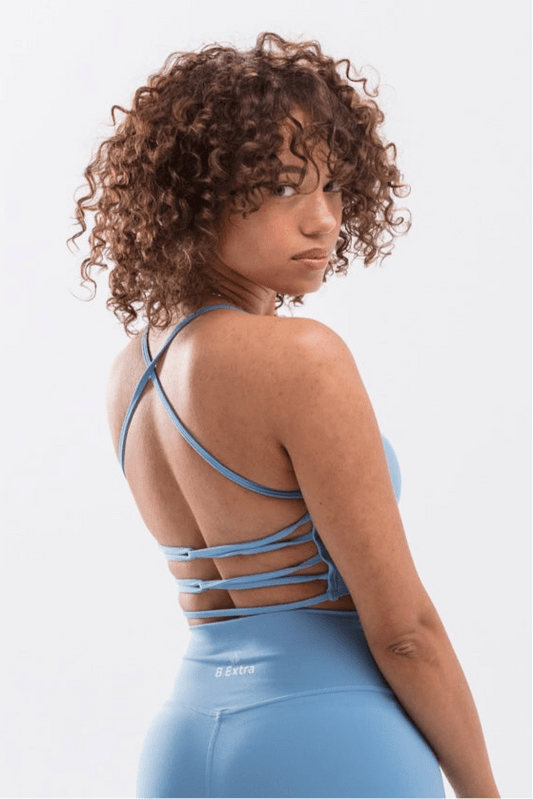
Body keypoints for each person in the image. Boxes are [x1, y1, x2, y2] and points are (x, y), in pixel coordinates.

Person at [68, 31, 500, 799]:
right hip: (332, 740)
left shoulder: (129, 375)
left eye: (333, 187)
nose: (323, 219)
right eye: (283, 186)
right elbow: (405, 633)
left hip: (183, 748)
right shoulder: (301, 357)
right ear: (198, 191)